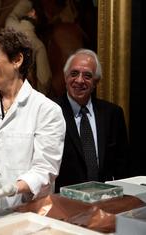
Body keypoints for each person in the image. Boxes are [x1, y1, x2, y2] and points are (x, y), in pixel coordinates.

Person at [0, 28, 66, 216]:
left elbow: (45, 168)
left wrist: (12, 189)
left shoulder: (46, 110)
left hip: (25, 212)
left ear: (17, 60)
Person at [54, 48, 130, 192]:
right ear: (65, 77)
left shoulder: (112, 113)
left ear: (96, 82)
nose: (79, 80)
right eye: (74, 73)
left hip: (105, 199)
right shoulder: (51, 111)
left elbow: (122, 165)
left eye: (87, 75)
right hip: (64, 201)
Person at [5, 0, 52, 95]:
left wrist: (28, 3)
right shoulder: (38, 44)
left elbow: (15, 13)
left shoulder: (10, 23)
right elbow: (44, 79)